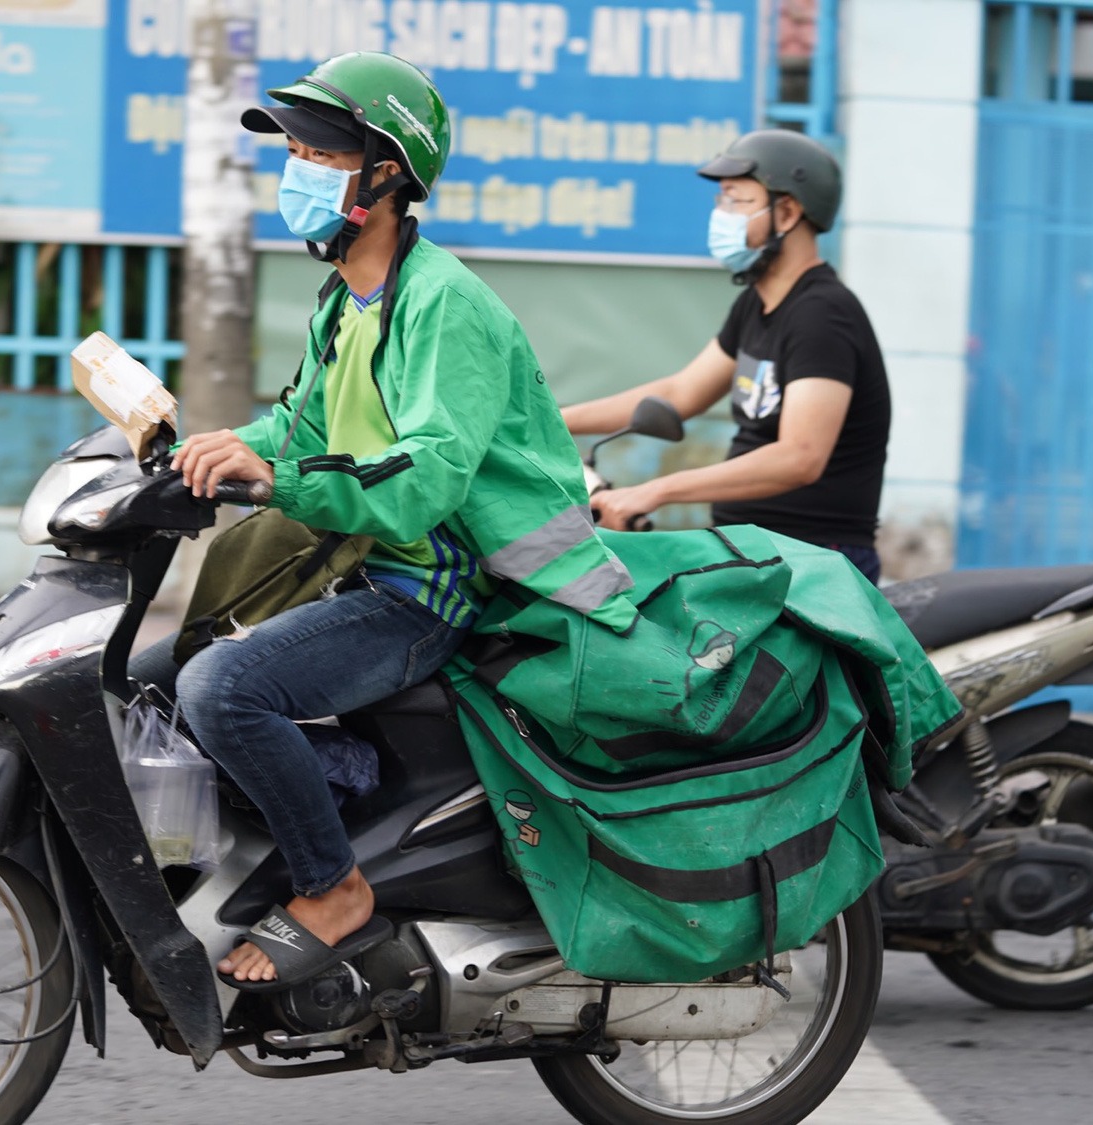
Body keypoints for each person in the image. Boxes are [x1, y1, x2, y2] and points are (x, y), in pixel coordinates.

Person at [135, 52, 637, 987]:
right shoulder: (350, 297)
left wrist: (278, 478)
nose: (296, 169)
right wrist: (216, 448)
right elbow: (300, 426)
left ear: (387, 175)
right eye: (293, 152)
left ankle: (333, 886)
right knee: (140, 684)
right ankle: (337, 795)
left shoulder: (444, 304)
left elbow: (424, 481)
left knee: (221, 688)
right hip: (362, 567)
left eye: (320, 155)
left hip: (431, 589)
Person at [563, 130, 893, 582]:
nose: (721, 216)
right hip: (755, 550)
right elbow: (680, 393)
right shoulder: (757, 305)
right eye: (721, 201)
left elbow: (801, 455)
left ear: (788, 212)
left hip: (814, 563)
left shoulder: (823, 315)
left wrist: (655, 491)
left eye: (736, 201)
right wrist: (554, 421)